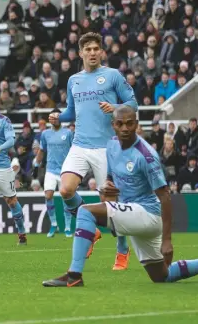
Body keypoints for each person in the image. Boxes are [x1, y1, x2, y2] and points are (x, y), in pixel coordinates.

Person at [42, 105, 198, 287]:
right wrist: (109, 189)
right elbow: (112, 180)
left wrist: (167, 240)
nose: (125, 128)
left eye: (129, 123)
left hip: (149, 214)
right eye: (120, 123)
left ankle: (74, 276)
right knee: (162, 275)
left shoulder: (146, 155)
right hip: (135, 214)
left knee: (85, 212)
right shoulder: (111, 146)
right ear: (113, 125)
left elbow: (165, 196)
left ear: (136, 124)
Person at [49, 32, 138, 271]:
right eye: (87, 49)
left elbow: (133, 104)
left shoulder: (112, 76)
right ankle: (92, 229)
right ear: (80, 53)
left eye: (95, 49)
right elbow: (72, 112)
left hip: (107, 148)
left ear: (101, 52)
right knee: (65, 189)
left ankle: (122, 249)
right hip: (80, 144)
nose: (92, 53)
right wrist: (58, 116)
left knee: (110, 205)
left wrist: (116, 107)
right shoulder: (74, 80)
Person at [33, 109, 74, 238]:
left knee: (66, 198)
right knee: (48, 195)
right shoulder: (45, 134)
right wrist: (36, 164)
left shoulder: (68, 133)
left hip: (65, 170)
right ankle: (54, 224)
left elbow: (74, 151)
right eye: (53, 117)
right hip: (50, 169)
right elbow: (42, 150)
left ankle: (67, 227)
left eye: (57, 117)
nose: (55, 119)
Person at [0, 93, 27, 245]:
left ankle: (21, 232)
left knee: (12, 201)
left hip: (2, 167)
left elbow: (10, 140)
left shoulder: (3, 121)